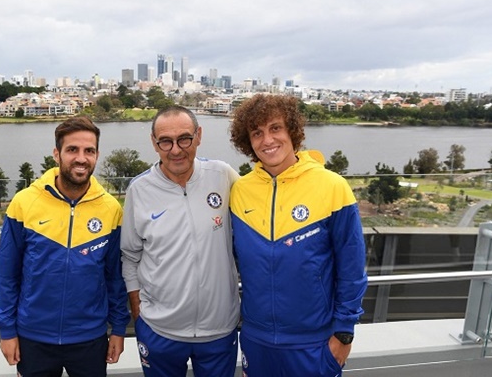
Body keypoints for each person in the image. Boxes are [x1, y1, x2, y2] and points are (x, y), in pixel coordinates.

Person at [228, 94, 368, 377]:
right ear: (248, 142)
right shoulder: (240, 190)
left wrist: (344, 333)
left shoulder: (332, 186)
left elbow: (352, 267)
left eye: (275, 128)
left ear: (292, 131)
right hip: (256, 340)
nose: (267, 140)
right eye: (257, 133)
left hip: (314, 342)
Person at [0, 116, 130, 377]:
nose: (81, 158)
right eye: (72, 150)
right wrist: (7, 330)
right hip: (33, 338)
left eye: (89, 151)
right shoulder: (24, 203)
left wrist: (119, 328)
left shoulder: (111, 208)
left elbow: (115, 277)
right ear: (57, 154)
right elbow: (7, 275)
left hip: (90, 338)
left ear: (97, 155)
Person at [121, 106, 240, 377]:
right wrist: (139, 313)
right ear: (154, 143)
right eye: (165, 141)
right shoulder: (139, 190)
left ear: (199, 136)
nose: (176, 150)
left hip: (219, 330)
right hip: (159, 331)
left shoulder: (223, 176)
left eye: (184, 139)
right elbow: (130, 256)